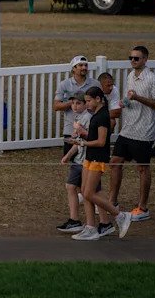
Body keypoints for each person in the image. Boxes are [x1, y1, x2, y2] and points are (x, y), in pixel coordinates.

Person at [108, 45, 155, 221]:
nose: (133, 61)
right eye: (131, 58)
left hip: (144, 132)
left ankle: (143, 207)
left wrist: (137, 98)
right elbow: (130, 97)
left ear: (145, 60)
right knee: (115, 162)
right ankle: (112, 201)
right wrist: (125, 102)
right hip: (128, 128)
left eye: (136, 58)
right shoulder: (131, 75)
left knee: (142, 168)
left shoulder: (152, 79)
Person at [70, 87, 134, 240]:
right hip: (89, 157)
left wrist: (84, 144)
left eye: (89, 101)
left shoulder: (103, 116)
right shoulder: (96, 114)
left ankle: (120, 215)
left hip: (98, 158)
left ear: (98, 99)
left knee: (89, 193)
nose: (87, 104)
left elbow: (101, 141)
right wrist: (81, 139)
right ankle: (91, 227)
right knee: (85, 193)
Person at [56, 93, 92, 234]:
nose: (74, 106)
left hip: (86, 161)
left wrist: (80, 135)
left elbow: (89, 139)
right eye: (72, 103)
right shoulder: (78, 118)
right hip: (78, 160)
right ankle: (74, 220)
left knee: (89, 192)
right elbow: (77, 143)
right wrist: (68, 156)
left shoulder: (88, 118)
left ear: (85, 104)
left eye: (78, 103)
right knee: (71, 187)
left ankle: (104, 220)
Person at [53, 56, 98, 156]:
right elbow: (56, 106)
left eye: (86, 65)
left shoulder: (95, 84)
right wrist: (73, 102)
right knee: (71, 160)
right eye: (80, 65)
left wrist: (87, 104)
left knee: (89, 160)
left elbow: (101, 104)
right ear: (73, 68)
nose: (84, 68)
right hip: (70, 130)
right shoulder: (64, 84)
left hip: (90, 129)